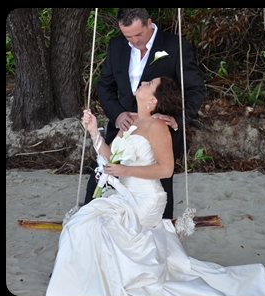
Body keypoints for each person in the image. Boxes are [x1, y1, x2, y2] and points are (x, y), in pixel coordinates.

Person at [47, 77, 265, 295]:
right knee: (81, 224)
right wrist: (93, 132)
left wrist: (124, 171)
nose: (144, 82)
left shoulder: (157, 126)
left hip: (145, 199)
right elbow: (111, 160)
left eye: (149, 83)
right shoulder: (128, 122)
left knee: (100, 227)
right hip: (123, 196)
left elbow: (165, 169)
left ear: (153, 100)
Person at [86, 8, 205, 221]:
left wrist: (178, 120)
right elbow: (104, 85)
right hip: (123, 128)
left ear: (149, 23)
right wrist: (117, 114)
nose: (133, 41)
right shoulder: (116, 45)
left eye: (138, 35)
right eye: (127, 36)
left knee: (159, 187)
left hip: (158, 129)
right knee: (100, 181)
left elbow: (195, 89)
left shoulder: (175, 46)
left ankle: (161, 234)